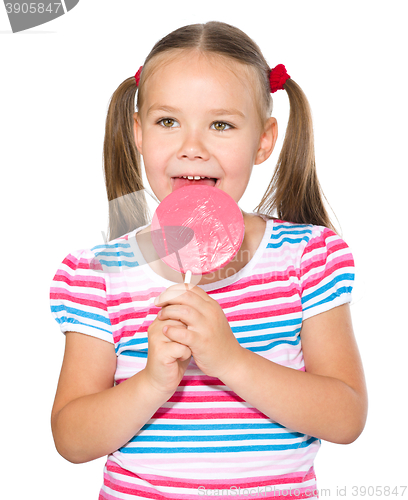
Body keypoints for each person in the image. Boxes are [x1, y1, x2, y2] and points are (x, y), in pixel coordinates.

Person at [50, 21, 367, 499]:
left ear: (263, 139)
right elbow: (72, 440)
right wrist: (152, 383)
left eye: (221, 125)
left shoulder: (306, 259)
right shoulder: (100, 275)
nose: (191, 147)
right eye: (167, 121)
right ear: (138, 132)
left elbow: (345, 419)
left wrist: (230, 359)